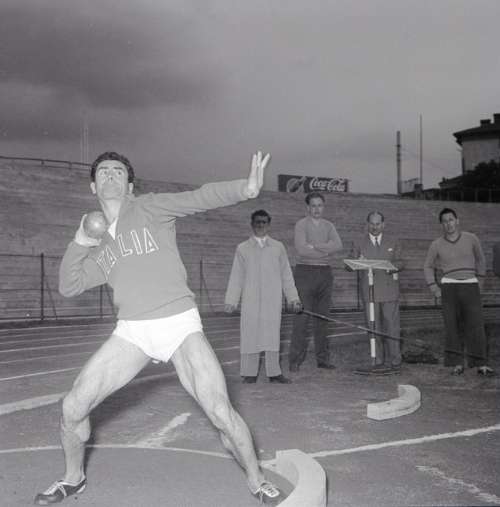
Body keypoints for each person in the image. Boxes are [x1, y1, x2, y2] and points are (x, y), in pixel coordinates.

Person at [34, 150, 283, 505]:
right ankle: (73, 478)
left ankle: (257, 481)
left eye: (118, 172)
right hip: (132, 332)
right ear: (93, 187)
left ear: (129, 186)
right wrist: (80, 242)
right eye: (103, 172)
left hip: (179, 324)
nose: (110, 175)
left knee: (219, 411)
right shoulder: (101, 246)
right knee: (73, 406)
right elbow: (69, 286)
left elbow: (199, 197)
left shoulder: (150, 207)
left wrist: (246, 188)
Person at [224, 209, 302, 384]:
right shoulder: (242, 248)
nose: (260, 225)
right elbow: (236, 276)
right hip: (250, 299)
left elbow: (286, 275)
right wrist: (231, 300)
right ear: (252, 224)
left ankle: (274, 372)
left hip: (272, 299)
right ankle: (249, 373)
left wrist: (293, 298)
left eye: (264, 222)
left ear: (269, 225)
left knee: (272, 335)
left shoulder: (278, 247)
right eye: (257, 222)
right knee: (250, 333)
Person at [423, 207, 494, 376]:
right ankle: (456, 363)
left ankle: (481, 363)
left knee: (476, 325)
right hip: (449, 287)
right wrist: (434, 287)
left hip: (470, 285)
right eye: (444, 221)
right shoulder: (436, 244)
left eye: (451, 220)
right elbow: (427, 266)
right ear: (441, 225)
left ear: (457, 221)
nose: (448, 224)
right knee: (452, 326)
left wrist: (480, 281)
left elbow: (481, 259)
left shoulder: (471, 238)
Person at [288, 192, 343, 372]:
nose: (317, 209)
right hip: (305, 272)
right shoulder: (301, 225)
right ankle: (295, 360)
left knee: (322, 318)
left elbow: (338, 245)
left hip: (324, 273)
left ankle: (322, 359)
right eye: (313, 205)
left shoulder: (329, 225)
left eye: (320, 205)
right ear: (308, 208)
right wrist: (326, 250)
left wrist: (316, 246)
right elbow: (302, 250)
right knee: (301, 318)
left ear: (323, 207)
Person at [350, 211, 405, 374]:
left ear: (383, 224)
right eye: (372, 224)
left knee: (392, 326)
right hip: (369, 292)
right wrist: (357, 262)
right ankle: (377, 360)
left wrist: (390, 267)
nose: (375, 227)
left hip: (389, 291)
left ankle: (395, 361)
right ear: (367, 224)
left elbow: (401, 262)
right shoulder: (358, 242)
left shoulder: (394, 241)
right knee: (373, 327)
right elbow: (348, 264)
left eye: (378, 224)